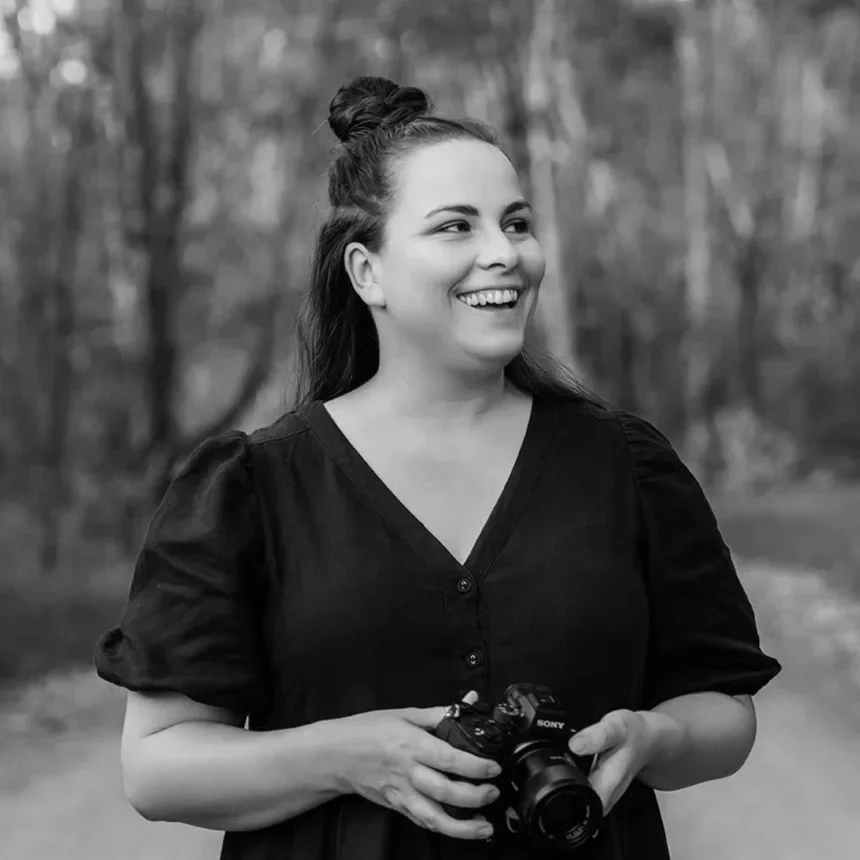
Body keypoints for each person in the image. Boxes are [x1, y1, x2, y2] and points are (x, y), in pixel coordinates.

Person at [94, 76, 781, 860]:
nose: (505, 253)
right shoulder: (252, 488)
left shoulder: (626, 465)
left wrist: (656, 736)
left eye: (516, 222)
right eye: (456, 226)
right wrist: (346, 758)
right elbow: (157, 768)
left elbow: (725, 715)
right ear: (367, 273)